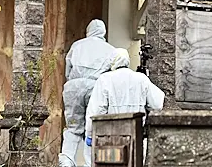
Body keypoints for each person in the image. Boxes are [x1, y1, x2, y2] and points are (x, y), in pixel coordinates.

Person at [84, 48, 165, 165]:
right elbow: (157, 104)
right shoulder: (141, 79)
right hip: (136, 136)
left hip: (110, 137)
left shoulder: (105, 80)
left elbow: (95, 110)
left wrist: (90, 133)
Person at [58, 19, 117, 167]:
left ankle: (66, 160)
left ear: (88, 31)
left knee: (73, 127)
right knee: (94, 127)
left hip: (73, 87)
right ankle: (90, 163)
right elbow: (112, 74)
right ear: (104, 32)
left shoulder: (77, 45)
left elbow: (68, 70)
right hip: (95, 87)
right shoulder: (110, 49)